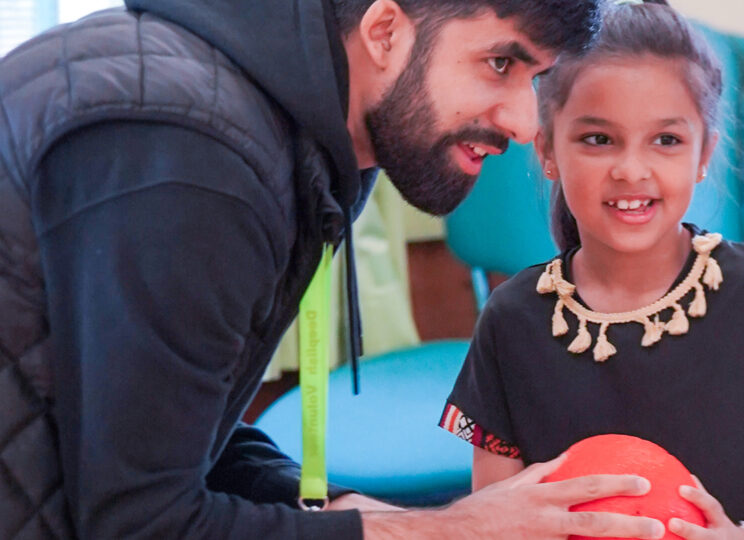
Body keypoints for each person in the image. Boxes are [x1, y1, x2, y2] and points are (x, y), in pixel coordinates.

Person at [0, 0, 669, 538]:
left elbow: (169, 431)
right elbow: (139, 521)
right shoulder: (194, 153)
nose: (525, 123)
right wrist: (448, 531)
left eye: (538, 80)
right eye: (499, 63)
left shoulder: (302, 129)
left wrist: (363, 514)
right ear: (384, 31)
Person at [441, 2, 744, 539]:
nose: (631, 170)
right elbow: (494, 518)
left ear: (703, 155)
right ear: (547, 149)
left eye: (666, 140)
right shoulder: (511, 323)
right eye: (598, 139)